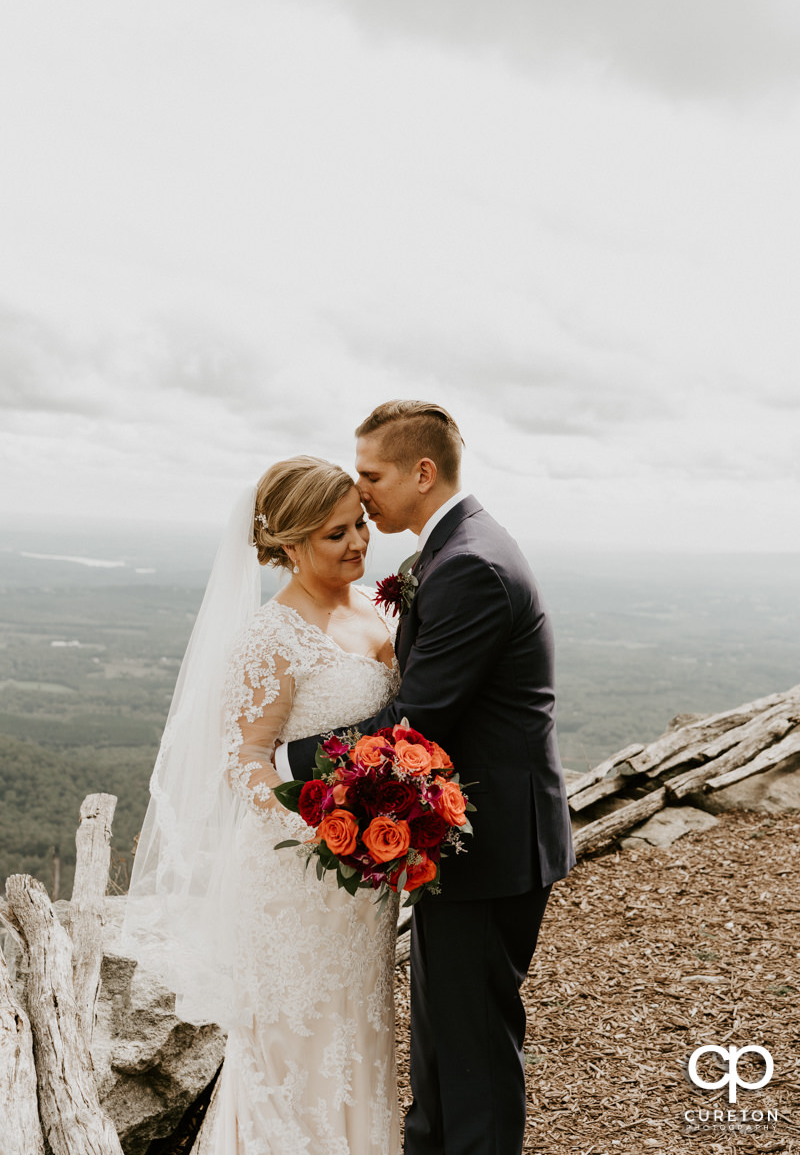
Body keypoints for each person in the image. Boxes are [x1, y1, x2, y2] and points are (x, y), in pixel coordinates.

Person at [277, 401, 576, 1155]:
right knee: (445, 1040)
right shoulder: (454, 550)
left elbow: (416, 724)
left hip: (491, 847)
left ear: (422, 471)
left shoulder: (470, 564)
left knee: (472, 1052)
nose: (361, 489)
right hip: (466, 843)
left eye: (371, 475)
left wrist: (287, 761)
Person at [123, 456, 402, 1154]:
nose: (359, 542)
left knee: (355, 1032)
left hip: (364, 885)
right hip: (295, 878)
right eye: (337, 533)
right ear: (288, 542)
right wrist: (310, 823)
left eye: (361, 523)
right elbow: (241, 758)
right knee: (291, 1049)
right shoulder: (268, 636)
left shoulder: (375, 609)